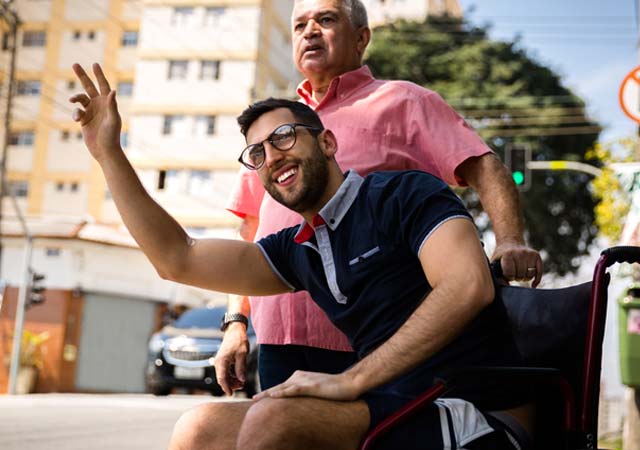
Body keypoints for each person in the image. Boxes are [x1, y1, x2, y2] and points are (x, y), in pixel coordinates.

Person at [69, 66, 531, 449]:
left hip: (476, 411)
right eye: (257, 152)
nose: (271, 156)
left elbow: (468, 286)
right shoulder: (299, 248)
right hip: (395, 407)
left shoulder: (403, 194)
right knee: (199, 430)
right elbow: (178, 258)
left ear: (327, 143)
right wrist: (108, 153)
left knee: (276, 420)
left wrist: (351, 380)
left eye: (284, 137)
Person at [219, 0, 544, 398]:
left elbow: (484, 166)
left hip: (374, 342)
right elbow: (250, 229)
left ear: (362, 38)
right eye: (300, 25)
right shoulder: (276, 131)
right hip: (279, 338)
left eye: (326, 19)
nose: (310, 31)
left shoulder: (403, 101)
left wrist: (509, 240)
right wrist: (236, 323)